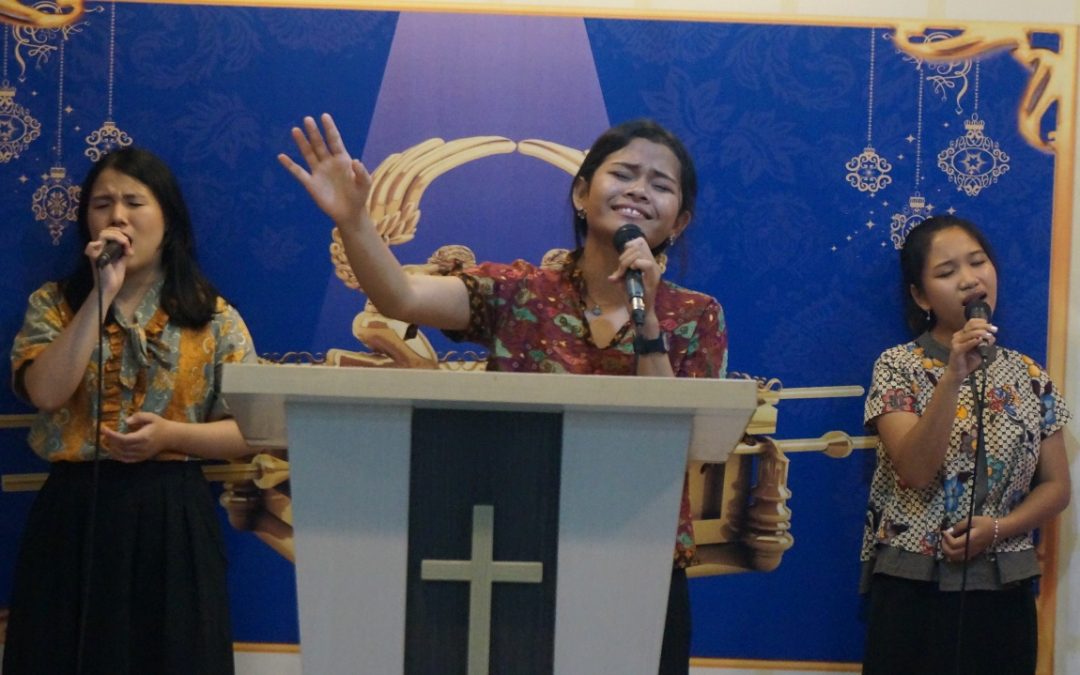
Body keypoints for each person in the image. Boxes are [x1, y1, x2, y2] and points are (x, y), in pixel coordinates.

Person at [280, 113, 727, 674]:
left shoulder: (695, 315)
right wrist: (353, 221)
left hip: (642, 558)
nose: (639, 190)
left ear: (678, 221)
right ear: (581, 194)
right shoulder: (518, 292)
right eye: (624, 174)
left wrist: (647, 320)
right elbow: (402, 298)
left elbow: (673, 445)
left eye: (660, 185)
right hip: (520, 548)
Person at [4, 147, 256, 674]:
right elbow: (45, 393)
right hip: (74, 515)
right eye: (102, 204)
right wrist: (101, 295)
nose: (117, 216)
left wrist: (170, 436)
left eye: (134, 202)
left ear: (168, 218)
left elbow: (248, 432)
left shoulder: (213, 317)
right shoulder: (54, 304)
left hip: (173, 516)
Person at [860, 215, 1071, 675]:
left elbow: (1057, 487)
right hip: (913, 584)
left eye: (978, 262)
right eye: (946, 271)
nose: (969, 279)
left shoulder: (1031, 376)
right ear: (921, 296)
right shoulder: (897, 366)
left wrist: (997, 528)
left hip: (1004, 586)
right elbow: (915, 470)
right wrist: (953, 374)